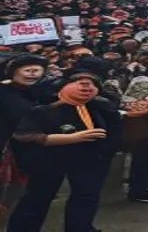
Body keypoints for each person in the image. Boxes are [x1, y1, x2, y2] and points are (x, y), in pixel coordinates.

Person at [6, 68, 122, 232]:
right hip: (49, 161)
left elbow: (114, 132)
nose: (85, 85)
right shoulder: (44, 110)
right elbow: (25, 135)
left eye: (92, 84)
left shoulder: (101, 109)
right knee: (37, 198)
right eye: (78, 82)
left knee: (86, 196)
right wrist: (70, 138)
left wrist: (107, 152)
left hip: (90, 160)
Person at [0, 54, 49, 220]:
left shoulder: (40, 91)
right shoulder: (4, 92)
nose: (32, 74)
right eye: (27, 70)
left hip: (24, 154)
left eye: (36, 70)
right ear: (13, 73)